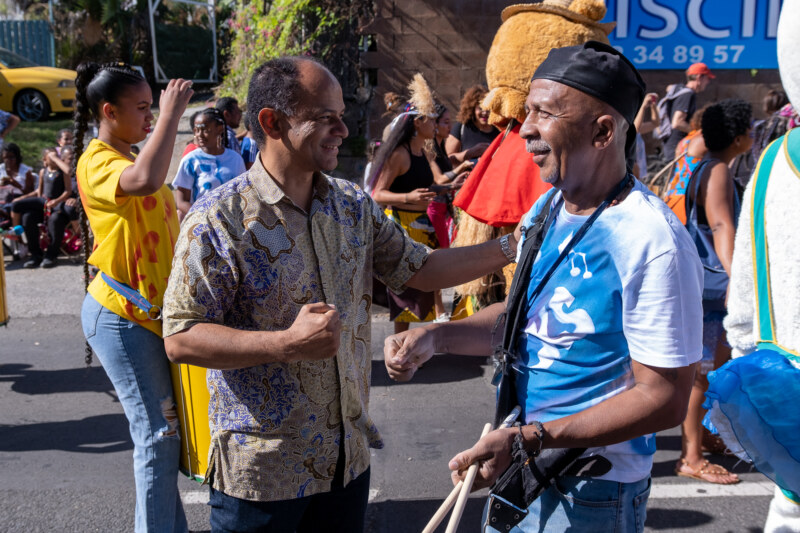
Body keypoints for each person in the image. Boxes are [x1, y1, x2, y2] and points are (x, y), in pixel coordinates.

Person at [161, 56, 520, 533]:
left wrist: (515, 244)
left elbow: (425, 268)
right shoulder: (218, 220)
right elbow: (181, 336)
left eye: (341, 115)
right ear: (273, 122)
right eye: (325, 117)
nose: (342, 129)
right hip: (262, 477)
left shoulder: (351, 205)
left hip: (345, 464)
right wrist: (285, 343)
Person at [385, 42, 702, 532]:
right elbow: (523, 319)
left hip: (593, 491)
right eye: (528, 109)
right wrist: (438, 337)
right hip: (523, 468)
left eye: (545, 113)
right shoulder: (547, 209)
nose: (526, 128)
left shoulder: (652, 240)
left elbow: (663, 397)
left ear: (602, 131)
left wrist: (533, 437)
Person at [73, 62, 193, 533]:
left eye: (151, 108)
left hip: (147, 315)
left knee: (165, 436)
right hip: (122, 317)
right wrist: (170, 115)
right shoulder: (97, 161)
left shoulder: (131, 156)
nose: (149, 117)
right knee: (157, 436)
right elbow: (144, 182)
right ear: (108, 111)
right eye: (141, 108)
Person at [668, 99, 753, 485]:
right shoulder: (717, 170)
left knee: (707, 370)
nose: (753, 135)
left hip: (703, 286)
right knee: (700, 375)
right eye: (749, 130)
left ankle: (704, 438)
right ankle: (691, 457)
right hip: (711, 289)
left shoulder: (705, 166)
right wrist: (738, 277)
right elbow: (720, 226)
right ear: (738, 138)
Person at [369, 74, 450, 329]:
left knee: (423, 290)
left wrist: (444, 187)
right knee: (404, 292)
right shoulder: (399, 154)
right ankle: (399, 346)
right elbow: (377, 194)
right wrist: (408, 197)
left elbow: (424, 186)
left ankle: (414, 348)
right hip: (402, 227)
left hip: (423, 227)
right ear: (417, 122)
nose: (436, 126)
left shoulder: (423, 152)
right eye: (432, 121)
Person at [173, 107, 246, 221]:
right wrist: (206, 217)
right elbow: (181, 202)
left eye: (206, 130)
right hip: (202, 226)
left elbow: (244, 193)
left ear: (220, 129)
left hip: (233, 224)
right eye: (196, 130)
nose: (200, 135)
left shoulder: (235, 159)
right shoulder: (190, 161)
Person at [11, 148, 74, 268]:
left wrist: (56, 201)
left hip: (57, 205)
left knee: (55, 220)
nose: (54, 159)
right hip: (43, 203)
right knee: (27, 217)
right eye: (51, 157)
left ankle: (51, 255)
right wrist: (25, 197)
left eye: (56, 156)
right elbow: (39, 192)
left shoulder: (63, 171)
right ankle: (35, 254)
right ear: (45, 159)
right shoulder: (42, 171)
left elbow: (68, 190)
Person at [660, 62, 714, 162]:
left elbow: (669, 87)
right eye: (708, 78)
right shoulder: (687, 94)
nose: (708, 82)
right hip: (677, 149)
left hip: (671, 146)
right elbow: (677, 123)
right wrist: (697, 133)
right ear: (699, 77)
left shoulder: (678, 89)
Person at [445, 85, 498, 164]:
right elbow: (447, 159)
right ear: (472, 109)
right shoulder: (462, 127)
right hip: (468, 175)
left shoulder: (500, 130)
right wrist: (471, 153)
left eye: (488, 109)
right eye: (480, 108)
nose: (485, 113)